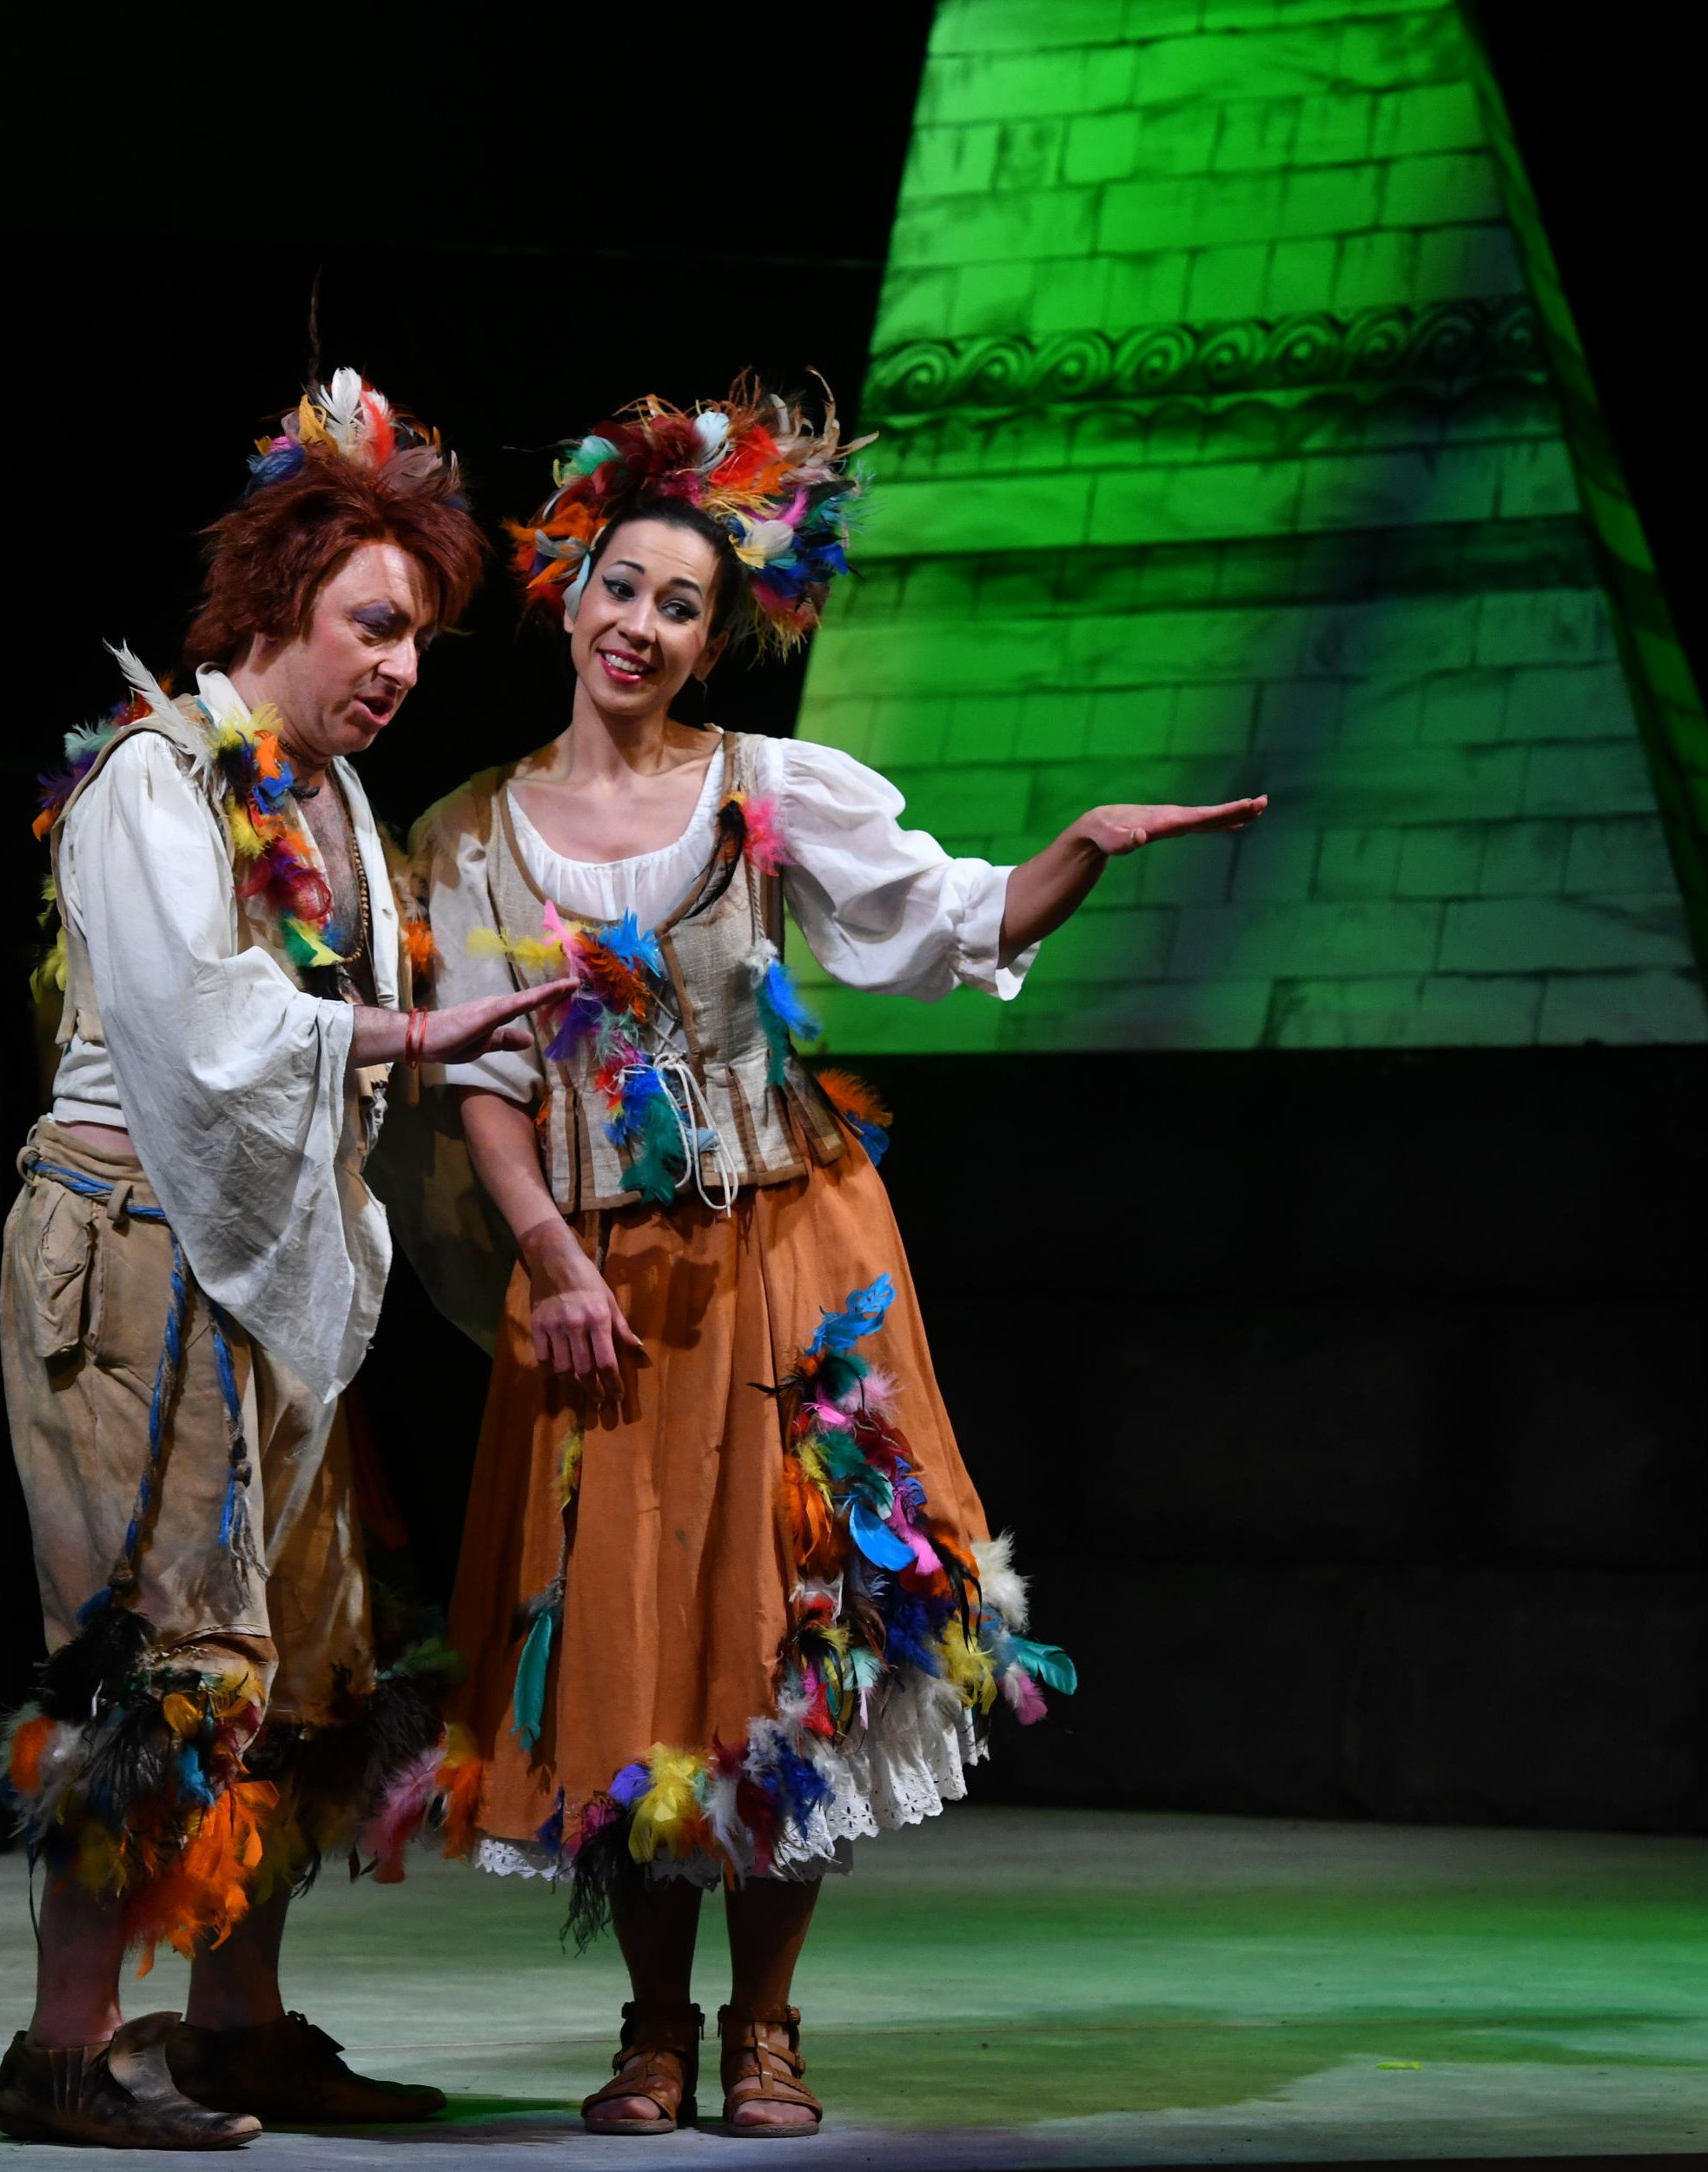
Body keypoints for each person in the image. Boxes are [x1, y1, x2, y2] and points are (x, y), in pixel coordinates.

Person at [403, 384, 1266, 2137]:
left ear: (711, 642)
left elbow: (945, 917)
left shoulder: (764, 792)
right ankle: (653, 2025)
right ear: (569, 594)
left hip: (782, 1253)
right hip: (600, 1285)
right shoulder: (468, 832)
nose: (641, 624)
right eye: (622, 587)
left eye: (680, 606)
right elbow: (482, 1089)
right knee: (631, 1645)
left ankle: (764, 2027)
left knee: (786, 1639)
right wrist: (555, 1261)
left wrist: (1080, 851)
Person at [0, 370, 574, 2150]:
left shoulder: (332, 804)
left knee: (296, 1664)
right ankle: (66, 2049)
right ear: (275, 602)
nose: (398, 667)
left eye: (418, 640)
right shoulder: (152, 779)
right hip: (134, 1250)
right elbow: (199, 1022)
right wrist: (408, 1036)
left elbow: (347, 1023)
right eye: (371, 625)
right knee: (162, 1661)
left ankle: (236, 2028)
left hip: (272, 1260)